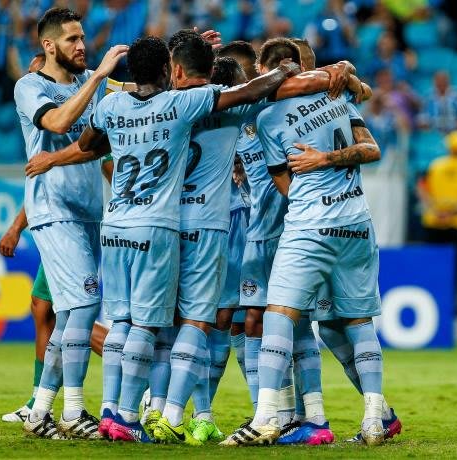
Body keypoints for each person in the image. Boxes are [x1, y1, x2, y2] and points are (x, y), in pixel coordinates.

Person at [78, 35, 301, 444]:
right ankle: (172, 413)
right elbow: (260, 90)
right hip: (202, 225)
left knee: (144, 323)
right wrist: (287, 70)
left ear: (175, 69)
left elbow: (89, 143)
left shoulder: (139, 103)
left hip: (147, 223)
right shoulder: (205, 104)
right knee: (196, 321)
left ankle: (124, 409)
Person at [221, 38, 385, 447]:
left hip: (309, 226)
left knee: (278, 316)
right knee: (357, 321)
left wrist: (317, 177)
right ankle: (375, 420)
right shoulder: (339, 98)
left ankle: (266, 418)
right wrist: (346, 73)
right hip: (357, 223)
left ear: (267, 69)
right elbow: (371, 148)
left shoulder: (269, 118)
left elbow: (283, 182)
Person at [14, 7, 128, 439]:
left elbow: (140, 92)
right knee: (79, 307)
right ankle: (74, 410)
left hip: (87, 212)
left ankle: (41, 411)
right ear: (48, 45)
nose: (81, 46)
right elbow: (59, 122)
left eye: (82, 38)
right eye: (71, 40)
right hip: (53, 208)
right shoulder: (29, 86)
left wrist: (195, 58)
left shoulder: (87, 83)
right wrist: (98, 78)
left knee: (71, 315)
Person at [417, 130, 457, 275]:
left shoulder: (435, 165)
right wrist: (452, 213)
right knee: (456, 266)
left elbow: (422, 188)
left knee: (431, 262)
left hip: (434, 220)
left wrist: (436, 211)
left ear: (448, 147)